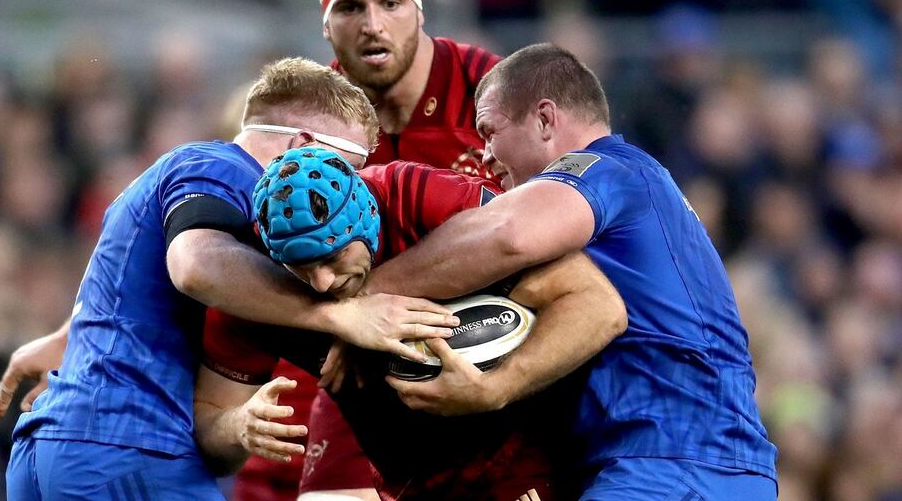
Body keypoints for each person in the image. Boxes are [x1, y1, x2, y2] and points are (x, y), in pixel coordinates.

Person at [1, 58, 458, 500]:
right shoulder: (223, 168)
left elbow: (126, 285)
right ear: (301, 146)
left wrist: (67, 337)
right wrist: (340, 316)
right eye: (347, 168)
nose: (355, 190)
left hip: (59, 448)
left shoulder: (168, 180)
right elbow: (194, 265)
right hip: (127, 446)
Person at [361, 43, 779, 499]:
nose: (484, 155)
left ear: (545, 119)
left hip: (674, 459)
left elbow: (505, 236)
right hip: (702, 461)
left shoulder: (607, 169)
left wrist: (366, 300)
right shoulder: (646, 186)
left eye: (490, 131)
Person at [235, 0, 504, 499]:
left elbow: (544, 229)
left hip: (484, 338)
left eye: (390, 3)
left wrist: (367, 303)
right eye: (351, 8)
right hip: (351, 364)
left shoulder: (492, 92)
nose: (372, 25)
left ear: (420, 7)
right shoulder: (308, 124)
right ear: (325, 24)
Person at [195, 147, 626, 500]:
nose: (322, 283)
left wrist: (499, 386)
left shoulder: (419, 198)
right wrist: (239, 424)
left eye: (333, 257)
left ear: (366, 219)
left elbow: (599, 305)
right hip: (411, 484)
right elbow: (211, 434)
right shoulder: (261, 284)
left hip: (527, 462)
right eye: (301, 268)